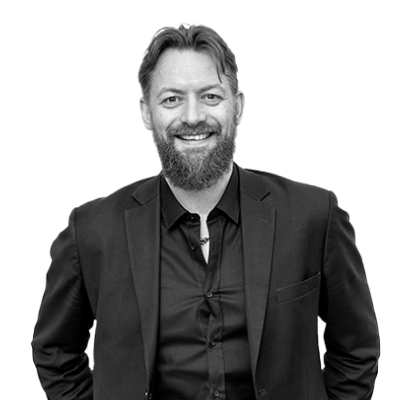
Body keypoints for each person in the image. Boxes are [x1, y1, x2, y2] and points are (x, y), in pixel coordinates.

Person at [32, 24, 380, 400]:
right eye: (172, 99)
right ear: (147, 112)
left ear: (237, 106)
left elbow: (356, 350)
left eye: (211, 96)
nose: (193, 116)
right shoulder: (92, 231)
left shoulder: (314, 216)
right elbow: (55, 353)